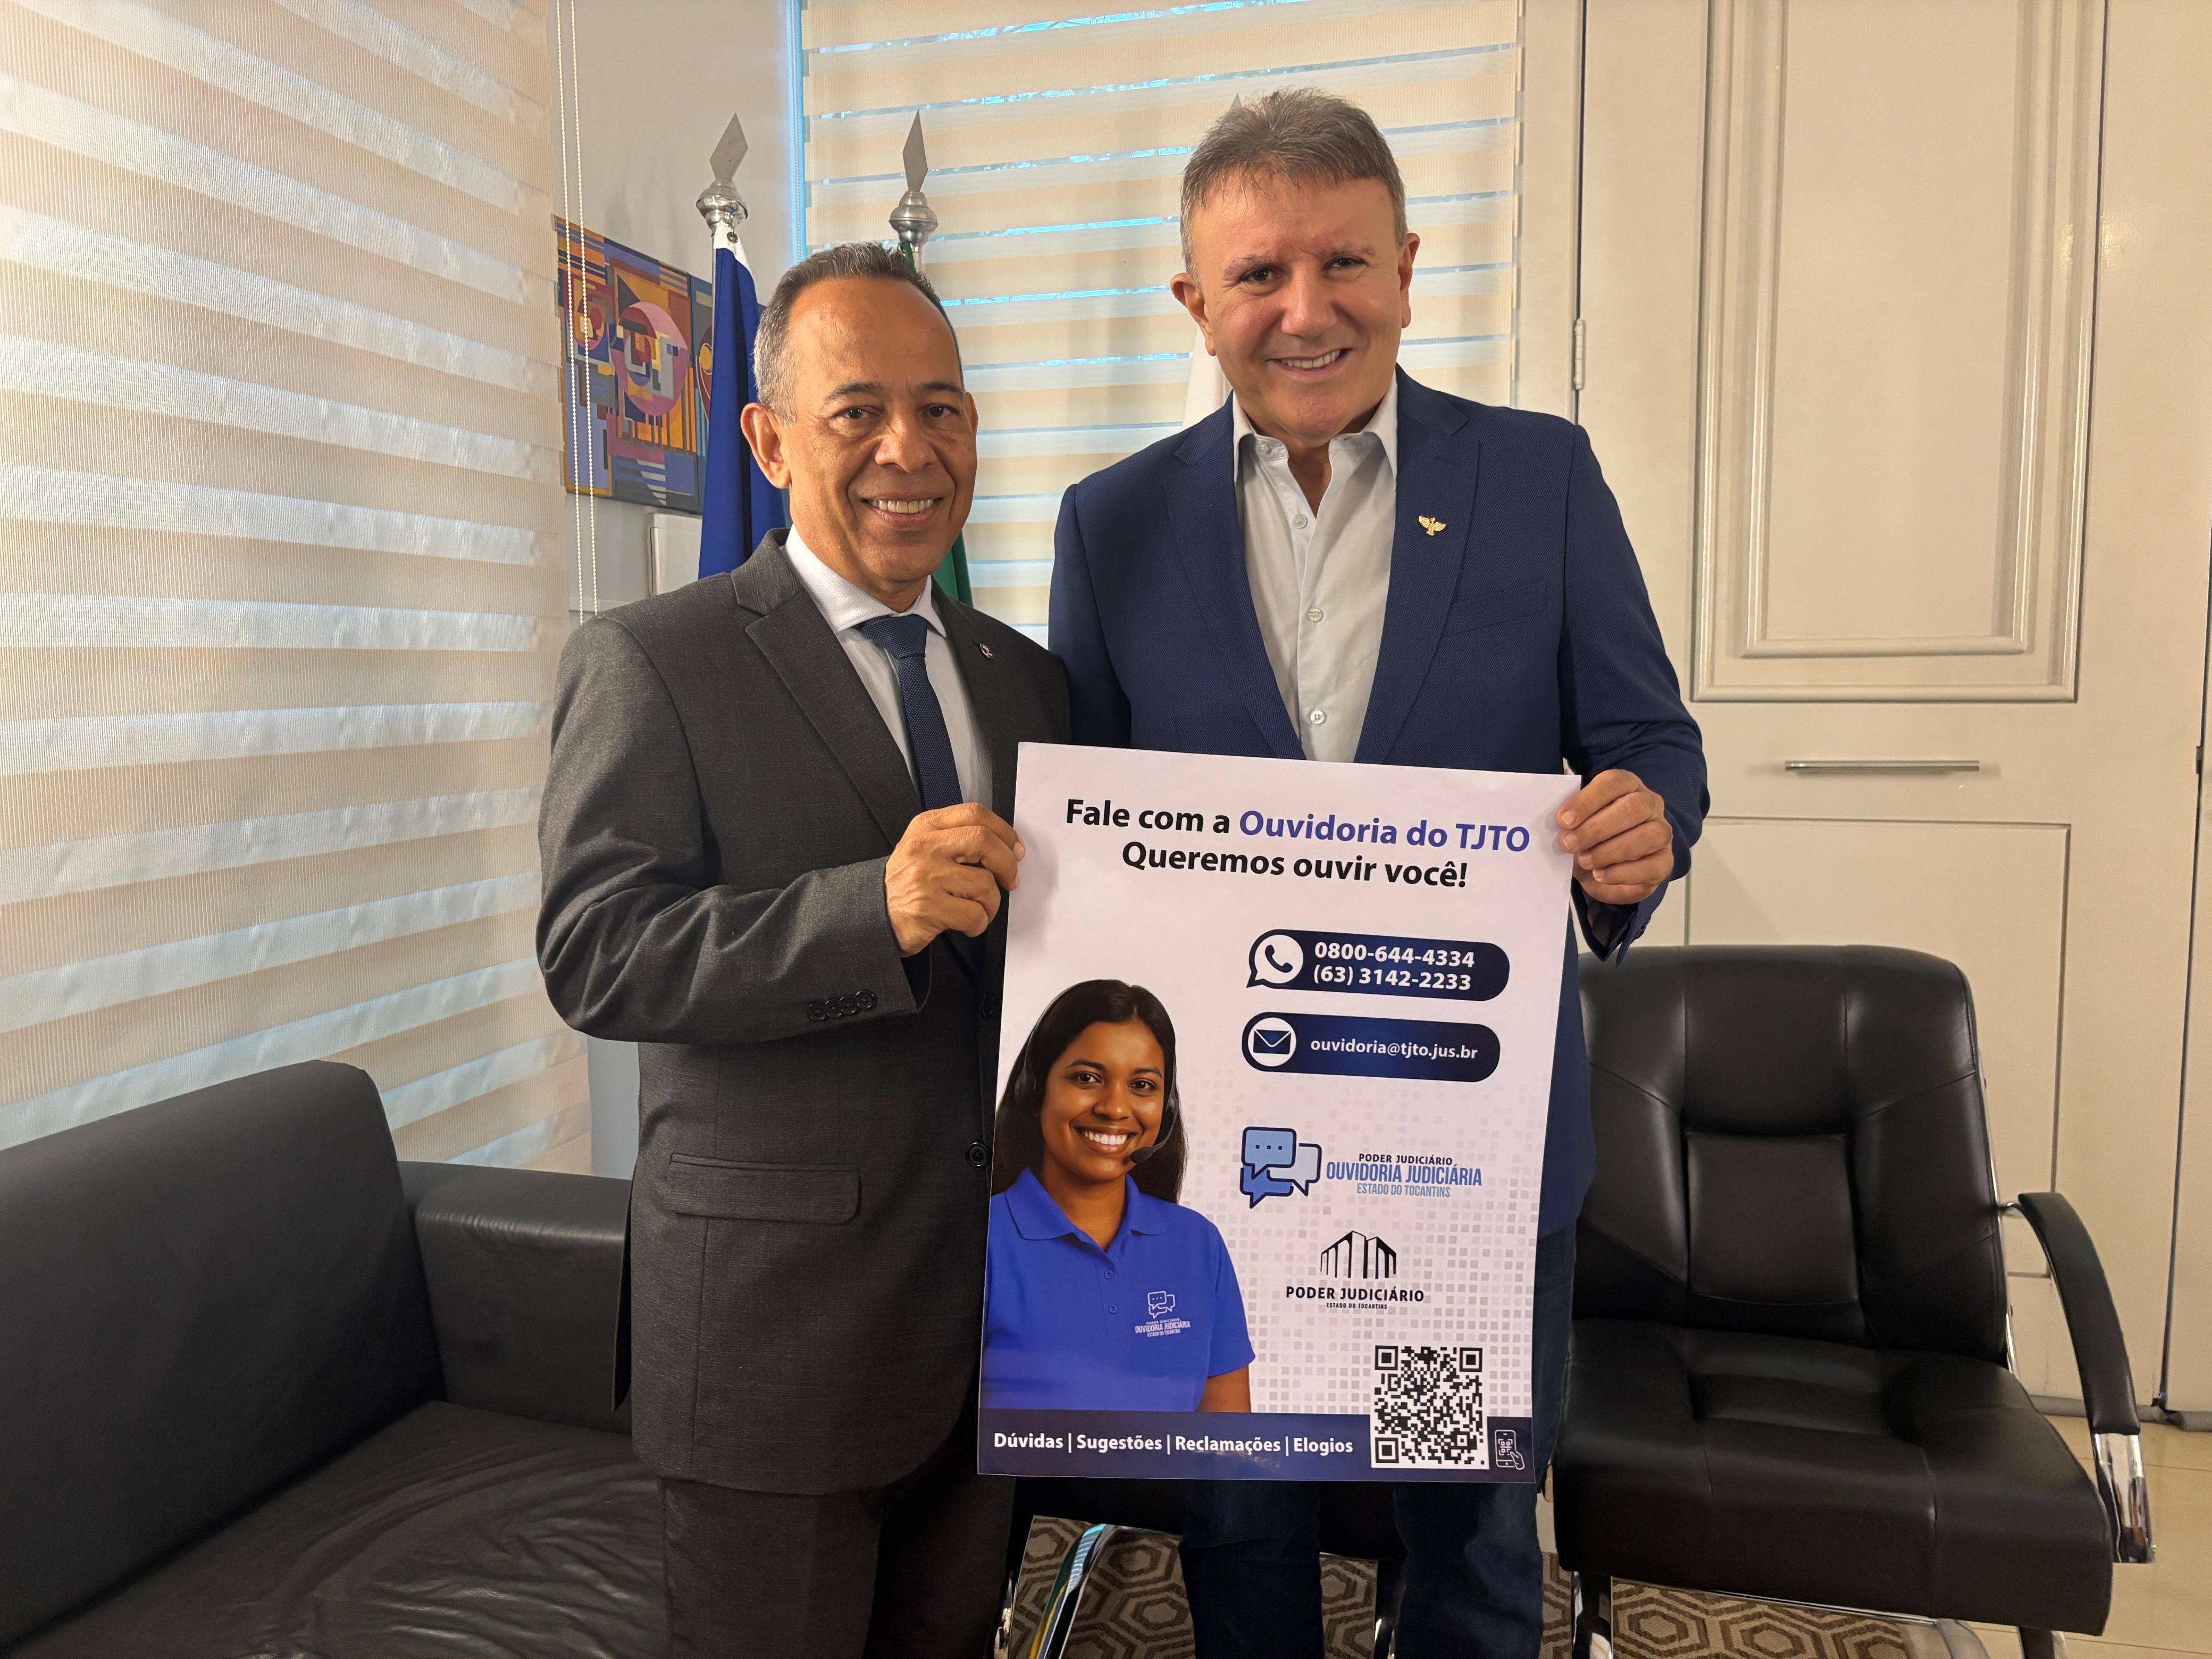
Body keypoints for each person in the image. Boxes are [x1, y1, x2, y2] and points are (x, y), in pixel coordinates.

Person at [1048, 89, 1708, 1659]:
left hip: (1457, 1138)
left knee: (1462, 1506)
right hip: (1224, 1142)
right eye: (1259, 273)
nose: (1306, 308)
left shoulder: (1536, 481)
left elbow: (1648, 740)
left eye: (1343, 262)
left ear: (1406, 270)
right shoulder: (1112, 524)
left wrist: (1640, 822)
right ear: (1193, 302)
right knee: (1240, 1497)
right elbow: (1092, 824)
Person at [537, 241, 1069, 1659]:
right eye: (859, 412)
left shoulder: (1031, 677)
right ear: (768, 441)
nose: (911, 449)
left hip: (993, 1320)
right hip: (776, 1339)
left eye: (943, 408)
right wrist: (863, 914)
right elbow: (597, 953)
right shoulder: (655, 658)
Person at [982, 979, 1252, 1412]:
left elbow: (1227, 1451)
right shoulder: (977, 1241)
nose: (1114, 1108)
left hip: (1171, 1485)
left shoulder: (1198, 1245)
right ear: (1034, 1091)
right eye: (1087, 1078)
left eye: (1142, 1086)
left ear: (1165, 1111)